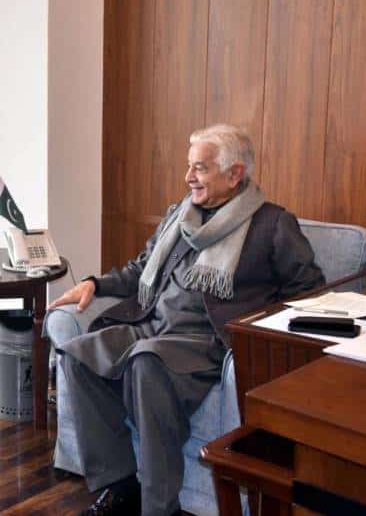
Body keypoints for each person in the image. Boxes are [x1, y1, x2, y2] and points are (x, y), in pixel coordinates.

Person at [48, 124, 325, 516]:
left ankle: (160, 507)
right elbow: (141, 269)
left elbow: (310, 292)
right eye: (189, 166)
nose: (188, 177)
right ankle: (121, 485)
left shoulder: (272, 224)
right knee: (77, 356)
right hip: (151, 324)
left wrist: (258, 330)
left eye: (200, 168)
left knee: (146, 361)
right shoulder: (181, 215)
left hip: (206, 340)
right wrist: (95, 284)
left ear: (235, 174)